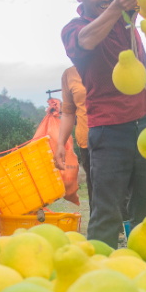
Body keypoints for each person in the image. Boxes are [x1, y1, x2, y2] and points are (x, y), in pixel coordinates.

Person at [61, 0, 146, 248]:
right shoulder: (74, 28)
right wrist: (117, 7)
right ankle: (98, 280)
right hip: (108, 133)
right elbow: (86, 41)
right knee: (107, 214)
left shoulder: (128, 17)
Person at [57, 67, 92, 212]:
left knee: (124, 193)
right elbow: (67, 113)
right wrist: (60, 144)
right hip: (88, 143)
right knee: (96, 193)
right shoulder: (69, 74)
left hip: (116, 138)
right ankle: (110, 232)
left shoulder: (109, 62)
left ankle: (129, 231)